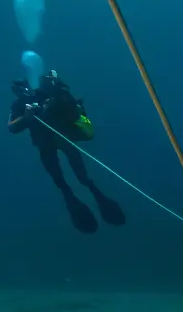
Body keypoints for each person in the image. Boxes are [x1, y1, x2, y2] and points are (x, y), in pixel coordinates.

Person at [8, 72, 126, 234]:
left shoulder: (49, 94)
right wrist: (26, 117)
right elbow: (12, 127)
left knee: (79, 176)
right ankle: (77, 195)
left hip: (62, 137)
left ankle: (87, 192)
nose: (21, 90)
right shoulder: (19, 105)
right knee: (60, 179)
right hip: (48, 143)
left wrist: (52, 104)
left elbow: (73, 111)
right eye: (17, 88)